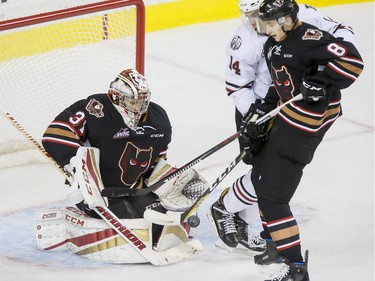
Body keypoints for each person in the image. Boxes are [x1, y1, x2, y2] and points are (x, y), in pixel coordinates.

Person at [208, 0, 359, 256]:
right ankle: (229, 209)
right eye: (250, 15)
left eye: (259, 14)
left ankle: (231, 209)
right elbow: (237, 87)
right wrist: (257, 117)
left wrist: (326, 68)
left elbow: (343, 33)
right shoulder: (245, 40)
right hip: (260, 108)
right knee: (265, 172)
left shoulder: (302, 16)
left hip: (296, 107)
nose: (257, 22)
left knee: (269, 173)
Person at [41, 69, 206, 263]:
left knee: (157, 217)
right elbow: (54, 135)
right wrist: (76, 167)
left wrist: (168, 179)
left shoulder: (159, 119)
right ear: (116, 97)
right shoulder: (95, 108)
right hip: (99, 191)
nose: (139, 107)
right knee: (131, 221)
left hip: (136, 189)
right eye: (132, 101)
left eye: (143, 101)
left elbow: (157, 160)